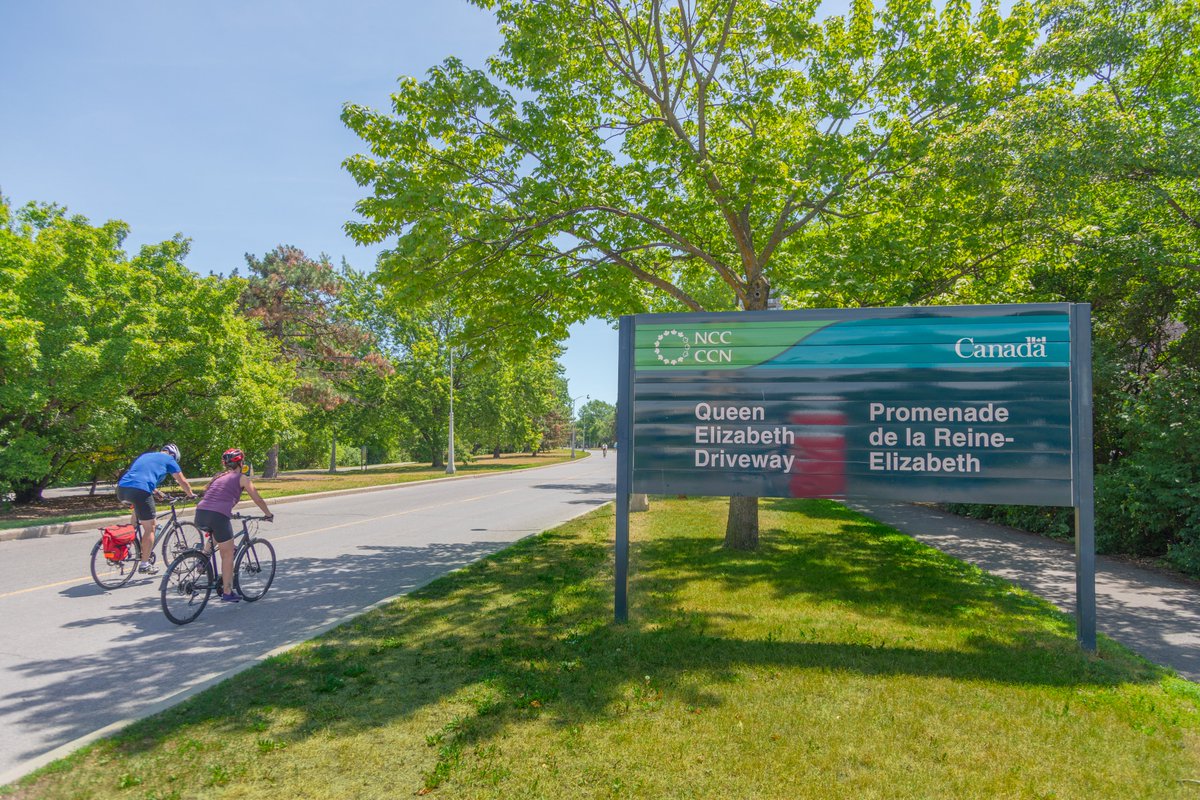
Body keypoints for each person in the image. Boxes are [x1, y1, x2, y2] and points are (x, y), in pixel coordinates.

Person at [193, 448, 273, 603]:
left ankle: (203, 557)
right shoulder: (242, 478)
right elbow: (257, 499)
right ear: (241, 463)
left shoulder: (219, 477)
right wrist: (268, 514)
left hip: (201, 513)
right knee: (227, 554)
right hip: (218, 515)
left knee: (220, 537)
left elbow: (217, 498)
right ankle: (227, 592)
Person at [116, 444, 195, 574]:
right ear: (173, 455)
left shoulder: (146, 455)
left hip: (122, 489)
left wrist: (157, 491)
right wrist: (191, 494)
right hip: (140, 491)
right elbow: (182, 481)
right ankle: (144, 564)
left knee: (136, 519)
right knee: (150, 527)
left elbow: (140, 476)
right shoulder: (169, 459)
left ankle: (127, 545)